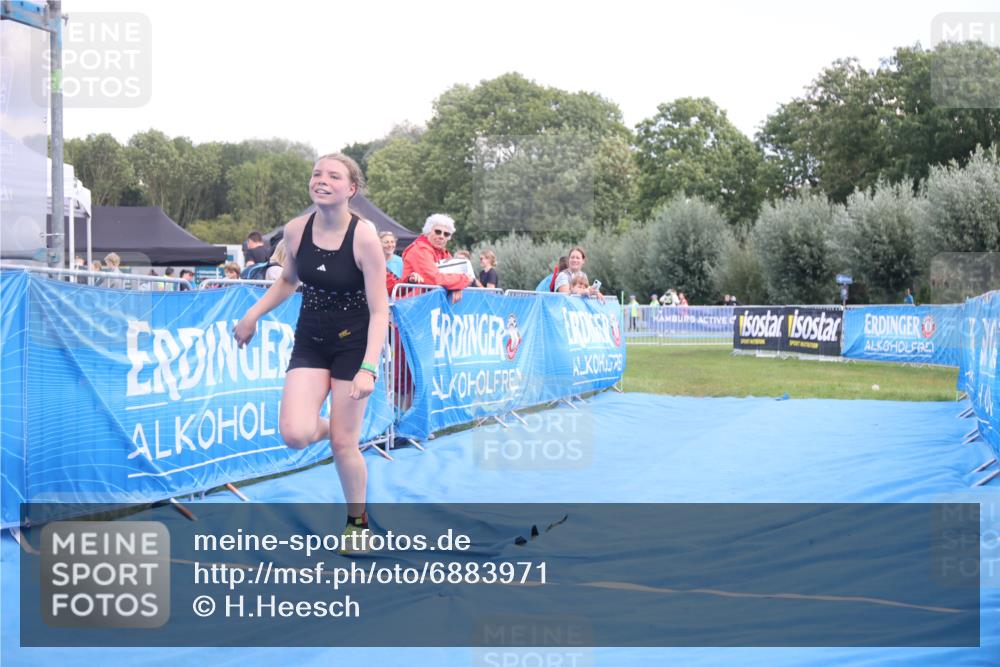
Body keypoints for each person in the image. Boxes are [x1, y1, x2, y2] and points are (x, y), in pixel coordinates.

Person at [234, 153, 388, 546]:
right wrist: (253, 315)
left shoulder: (365, 236)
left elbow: (379, 308)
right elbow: (288, 281)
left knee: (342, 444)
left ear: (350, 189)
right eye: (317, 173)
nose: (322, 179)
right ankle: (341, 432)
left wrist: (368, 366)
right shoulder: (296, 229)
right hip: (311, 340)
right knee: (295, 434)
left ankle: (357, 521)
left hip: (353, 345)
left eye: (333, 176)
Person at [401, 213, 472, 302]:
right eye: (438, 232)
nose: (441, 236)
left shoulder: (443, 252)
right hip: (413, 306)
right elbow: (434, 279)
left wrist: (457, 287)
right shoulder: (419, 250)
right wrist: (462, 281)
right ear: (428, 232)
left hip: (429, 304)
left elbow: (455, 275)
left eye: (446, 234)